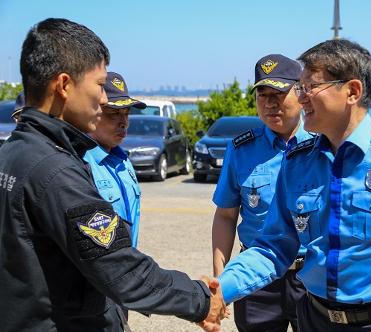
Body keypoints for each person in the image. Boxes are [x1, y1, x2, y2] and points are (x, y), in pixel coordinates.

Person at [216, 39, 371, 331]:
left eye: (310, 87)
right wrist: (217, 290)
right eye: (300, 88)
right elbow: (273, 247)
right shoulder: (298, 162)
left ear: (352, 91)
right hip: (315, 319)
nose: (301, 99)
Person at [0, 18, 224, 332]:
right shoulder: (56, 171)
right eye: (99, 85)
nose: (104, 99)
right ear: (64, 85)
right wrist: (199, 298)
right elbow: (124, 273)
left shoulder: (12, 154)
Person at [212, 54, 312, 332]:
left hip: (312, 278)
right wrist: (222, 279)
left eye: (279, 93)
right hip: (257, 280)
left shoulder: (324, 145)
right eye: (262, 94)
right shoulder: (241, 149)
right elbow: (225, 215)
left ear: (300, 92)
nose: (270, 103)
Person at [84, 71, 144, 248]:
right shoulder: (81, 163)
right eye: (113, 114)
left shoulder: (123, 160)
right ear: (93, 112)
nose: (123, 122)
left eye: (126, 113)